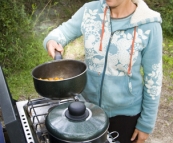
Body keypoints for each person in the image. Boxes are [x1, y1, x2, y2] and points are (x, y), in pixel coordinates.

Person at [43, 0, 163, 142]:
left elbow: (153, 79)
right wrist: (52, 40)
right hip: (87, 109)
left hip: (125, 116)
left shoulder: (149, 25)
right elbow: (62, 32)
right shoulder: (90, 11)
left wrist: (146, 124)